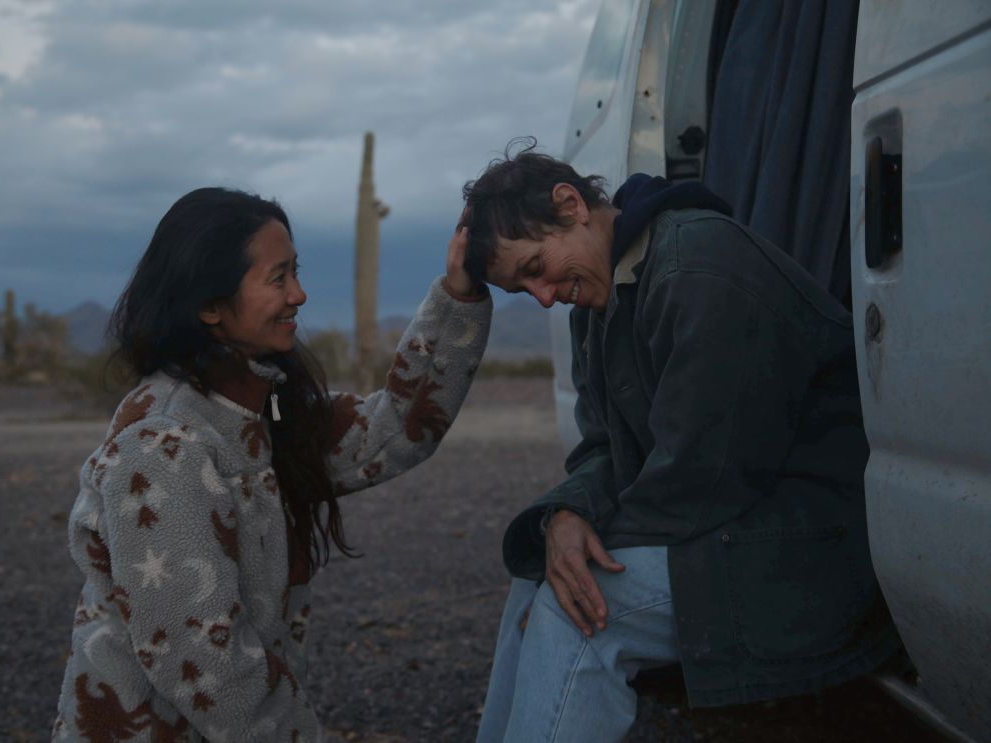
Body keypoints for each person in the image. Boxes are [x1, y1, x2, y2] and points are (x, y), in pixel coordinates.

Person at [463, 144, 900, 743]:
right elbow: (602, 449)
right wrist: (566, 516)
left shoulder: (699, 265)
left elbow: (705, 476)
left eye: (536, 267)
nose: (543, 296)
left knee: (577, 611)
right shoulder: (599, 299)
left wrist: (581, 542)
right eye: (523, 289)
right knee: (543, 573)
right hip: (736, 522)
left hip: (818, 543)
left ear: (570, 205)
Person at [50, 187, 491, 742]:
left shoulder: (261, 412)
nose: (299, 294)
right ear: (210, 304)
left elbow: (394, 430)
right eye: (278, 278)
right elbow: (206, 667)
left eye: (295, 273)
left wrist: (459, 294)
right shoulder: (163, 445)